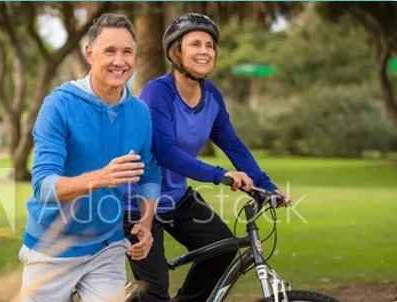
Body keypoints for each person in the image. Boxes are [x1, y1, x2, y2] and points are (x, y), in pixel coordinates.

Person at [123, 13, 287, 302]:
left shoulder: (211, 96)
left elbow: (232, 144)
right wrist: (219, 175)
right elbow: (164, 150)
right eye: (195, 44)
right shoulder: (157, 92)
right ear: (177, 52)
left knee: (223, 249)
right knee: (154, 291)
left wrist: (267, 186)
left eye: (210, 45)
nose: (204, 51)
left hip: (177, 198)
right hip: (136, 203)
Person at [18, 13, 162, 302]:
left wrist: (146, 224)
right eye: (110, 51)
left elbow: (150, 173)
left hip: (106, 248)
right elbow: (43, 187)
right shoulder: (58, 106)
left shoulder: (140, 113)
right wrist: (101, 178)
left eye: (127, 52)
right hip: (52, 249)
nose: (119, 61)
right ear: (90, 54)